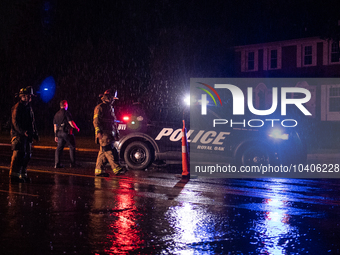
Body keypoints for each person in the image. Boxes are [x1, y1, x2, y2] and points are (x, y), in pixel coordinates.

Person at [93, 89, 126, 177]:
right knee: (109, 151)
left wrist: (116, 134)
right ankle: (116, 168)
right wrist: (98, 132)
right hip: (104, 134)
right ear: (108, 98)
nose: (113, 100)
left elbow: (113, 122)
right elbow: (96, 121)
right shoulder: (100, 107)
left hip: (109, 134)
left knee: (102, 152)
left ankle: (98, 170)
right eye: (112, 98)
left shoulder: (110, 108)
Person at [9, 86, 39, 183]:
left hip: (27, 135)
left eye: (30, 96)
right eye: (29, 96)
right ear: (23, 96)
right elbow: (15, 123)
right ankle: (14, 176)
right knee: (19, 155)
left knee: (27, 155)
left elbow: (32, 122)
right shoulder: (17, 107)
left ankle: (22, 175)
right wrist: (22, 132)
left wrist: (35, 133)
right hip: (18, 136)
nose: (30, 98)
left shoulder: (28, 108)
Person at [53, 100, 80, 168]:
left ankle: (57, 164)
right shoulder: (66, 113)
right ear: (65, 105)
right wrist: (76, 128)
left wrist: (56, 135)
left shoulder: (56, 114)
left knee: (59, 148)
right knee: (72, 146)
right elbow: (70, 122)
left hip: (59, 133)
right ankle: (72, 163)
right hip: (66, 132)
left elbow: (55, 126)